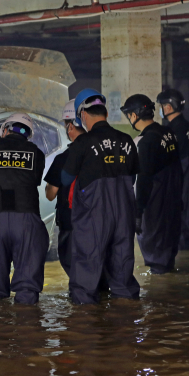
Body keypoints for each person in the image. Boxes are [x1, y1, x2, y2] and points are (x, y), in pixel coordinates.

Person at [60, 89, 141, 304]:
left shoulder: (83, 144)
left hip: (93, 215)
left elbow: (66, 179)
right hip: (124, 213)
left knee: (87, 267)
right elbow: (132, 178)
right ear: (105, 113)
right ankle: (125, 326)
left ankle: (86, 328)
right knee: (122, 266)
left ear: (83, 116)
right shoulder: (126, 141)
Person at [0, 113, 48, 305]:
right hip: (25, 220)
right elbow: (34, 179)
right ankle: (27, 329)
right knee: (27, 286)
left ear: (6, 129)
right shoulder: (36, 153)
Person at [121, 94, 183, 275]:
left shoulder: (144, 142)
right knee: (166, 257)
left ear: (134, 115)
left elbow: (143, 180)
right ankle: (168, 293)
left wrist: (138, 212)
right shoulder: (168, 133)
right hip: (172, 203)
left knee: (156, 256)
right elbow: (179, 169)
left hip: (155, 207)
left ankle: (160, 297)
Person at [43, 99, 85, 276]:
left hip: (71, 223)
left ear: (70, 126)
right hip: (97, 223)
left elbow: (51, 194)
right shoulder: (99, 153)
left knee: (75, 273)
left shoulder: (63, 158)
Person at [157, 89, 189, 250]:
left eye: (162, 106)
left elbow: (180, 161)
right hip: (188, 180)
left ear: (168, 107)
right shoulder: (186, 126)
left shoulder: (175, 130)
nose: (161, 109)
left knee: (181, 220)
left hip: (182, 180)